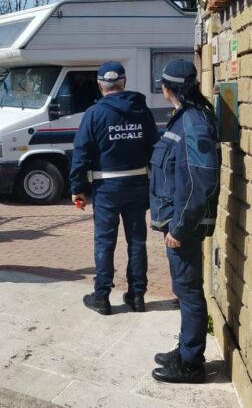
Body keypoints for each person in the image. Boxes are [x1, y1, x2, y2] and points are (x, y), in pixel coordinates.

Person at [149, 59, 220, 384]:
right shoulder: (186, 118)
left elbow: (200, 181)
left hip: (183, 226)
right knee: (185, 289)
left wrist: (179, 229)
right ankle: (186, 349)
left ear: (168, 88)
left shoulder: (193, 122)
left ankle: (191, 364)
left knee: (189, 292)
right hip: (177, 221)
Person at [70, 61, 160, 316]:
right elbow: (155, 147)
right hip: (137, 184)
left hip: (106, 187)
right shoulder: (141, 109)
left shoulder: (94, 114)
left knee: (105, 242)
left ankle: (101, 298)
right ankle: (138, 296)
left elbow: (80, 153)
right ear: (124, 82)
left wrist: (77, 188)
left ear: (100, 85)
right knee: (137, 242)